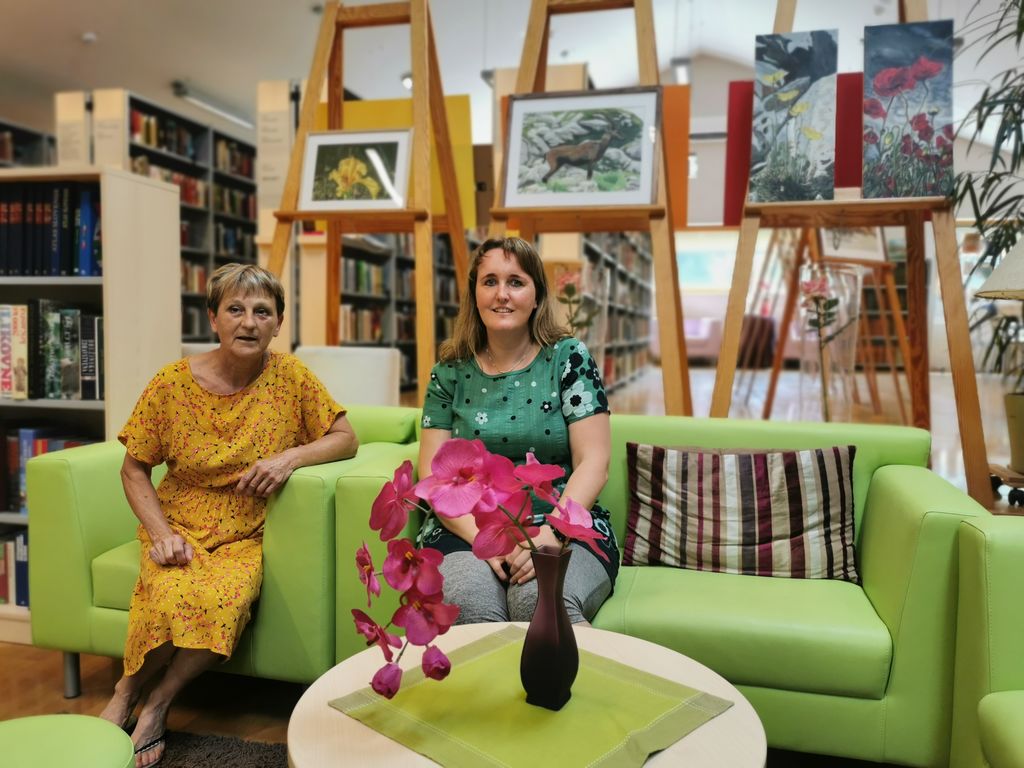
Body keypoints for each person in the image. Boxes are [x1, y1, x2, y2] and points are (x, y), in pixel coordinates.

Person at [98, 263, 358, 768]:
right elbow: (134, 470)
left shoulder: (291, 378)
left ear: (278, 323)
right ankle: (125, 692)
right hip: (178, 522)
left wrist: (289, 458)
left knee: (226, 599)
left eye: (263, 311)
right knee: (170, 594)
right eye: (235, 309)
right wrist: (161, 534)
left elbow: (345, 437)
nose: (249, 322)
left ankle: (158, 703)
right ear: (212, 318)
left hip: (248, 530)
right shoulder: (170, 383)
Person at [418, 236, 617, 627]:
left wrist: (552, 533)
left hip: (562, 523)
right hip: (465, 530)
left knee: (538, 604)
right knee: (471, 605)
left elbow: (595, 461)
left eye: (516, 282)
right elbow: (431, 476)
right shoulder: (449, 372)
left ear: (537, 295)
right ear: (474, 294)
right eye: (490, 281)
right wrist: (484, 539)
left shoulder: (568, 358)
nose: (502, 294)